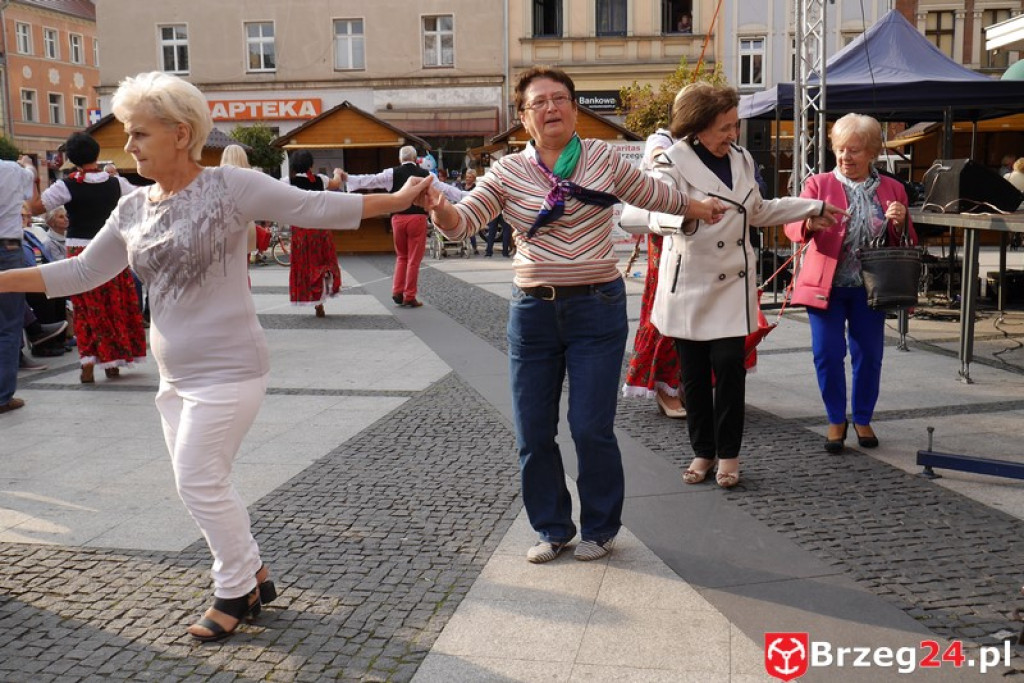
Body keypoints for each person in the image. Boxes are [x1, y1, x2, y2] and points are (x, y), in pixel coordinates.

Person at [0, 71, 430, 641]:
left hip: (231, 368)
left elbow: (314, 206)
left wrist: (398, 199)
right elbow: (81, 271)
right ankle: (254, 571)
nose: (128, 146)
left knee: (197, 479)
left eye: (139, 134)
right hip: (172, 376)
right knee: (204, 481)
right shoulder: (132, 208)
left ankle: (233, 586)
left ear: (181, 134)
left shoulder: (230, 186)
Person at [420, 65, 726, 563]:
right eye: (538, 102)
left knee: (590, 427)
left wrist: (698, 205)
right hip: (533, 314)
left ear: (574, 107)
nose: (551, 108)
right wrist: (439, 208)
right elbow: (464, 222)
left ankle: (601, 527)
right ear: (524, 117)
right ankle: (552, 527)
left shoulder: (602, 158)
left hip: (596, 309)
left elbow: (653, 194)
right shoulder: (506, 172)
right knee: (533, 430)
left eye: (559, 98)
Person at [648, 82, 846, 489]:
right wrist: (690, 214)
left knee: (729, 370)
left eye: (734, 126)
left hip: (731, 288)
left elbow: (757, 211)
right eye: (724, 127)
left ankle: (730, 456)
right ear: (699, 126)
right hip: (688, 284)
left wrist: (813, 207)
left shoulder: (740, 158)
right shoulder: (671, 161)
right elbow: (645, 213)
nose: (732, 135)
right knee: (695, 378)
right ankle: (703, 452)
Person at [784, 112, 915, 454]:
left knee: (869, 356)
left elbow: (906, 240)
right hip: (825, 287)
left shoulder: (893, 188)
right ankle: (834, 419)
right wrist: (811, 225)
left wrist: (899, 223)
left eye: (854, 150)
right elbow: (791, 227)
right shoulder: (818, 185)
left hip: (870, 289)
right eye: (840, 149)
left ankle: (862, 417)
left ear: (872, 152)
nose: (845, 157)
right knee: (827, 354)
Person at [29, 131, 145, 384]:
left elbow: (37, 207)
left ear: (72, 159)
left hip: (79, 250)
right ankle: (112, 362)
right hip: (111, 248)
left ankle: (88, 362)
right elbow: (142, 199)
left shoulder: (66, 185)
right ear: (96, 154)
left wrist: (33, 179)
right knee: (115, 304)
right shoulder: (117, 183)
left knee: (86, 307)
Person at [343, 146, 462, 307]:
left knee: (401, 257)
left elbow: (371, 179)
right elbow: (446, 190)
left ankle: (397, 290)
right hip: (417, 218)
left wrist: (348, 178)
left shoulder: (392, 173)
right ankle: (409, 295)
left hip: (397, 218)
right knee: (414, 259)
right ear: (415, 159)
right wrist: (468, 196)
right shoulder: (426, 175)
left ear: (400, 159)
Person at [622, 128, 686, 419]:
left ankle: (682, 384)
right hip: (669, 241)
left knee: (695, 316)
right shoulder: (662, 140)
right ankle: (663, 387)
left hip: (702, 244)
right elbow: (660, 164)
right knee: (666, 311)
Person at [284, 150, 344, 317]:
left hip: (300, 231)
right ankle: (320, 299)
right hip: (320, 229)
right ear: (311, 165)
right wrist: (337, 173)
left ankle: (312, 297)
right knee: (322, 264)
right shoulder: (321, 180)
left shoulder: (287, 181)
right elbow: (336, 184)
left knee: (305, 265)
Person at [0, 154, 37, 414]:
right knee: (8, 325)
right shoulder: (11, 169)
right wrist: (26, 163)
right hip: (7, 248)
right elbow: (30, 181)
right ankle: (2, 396)